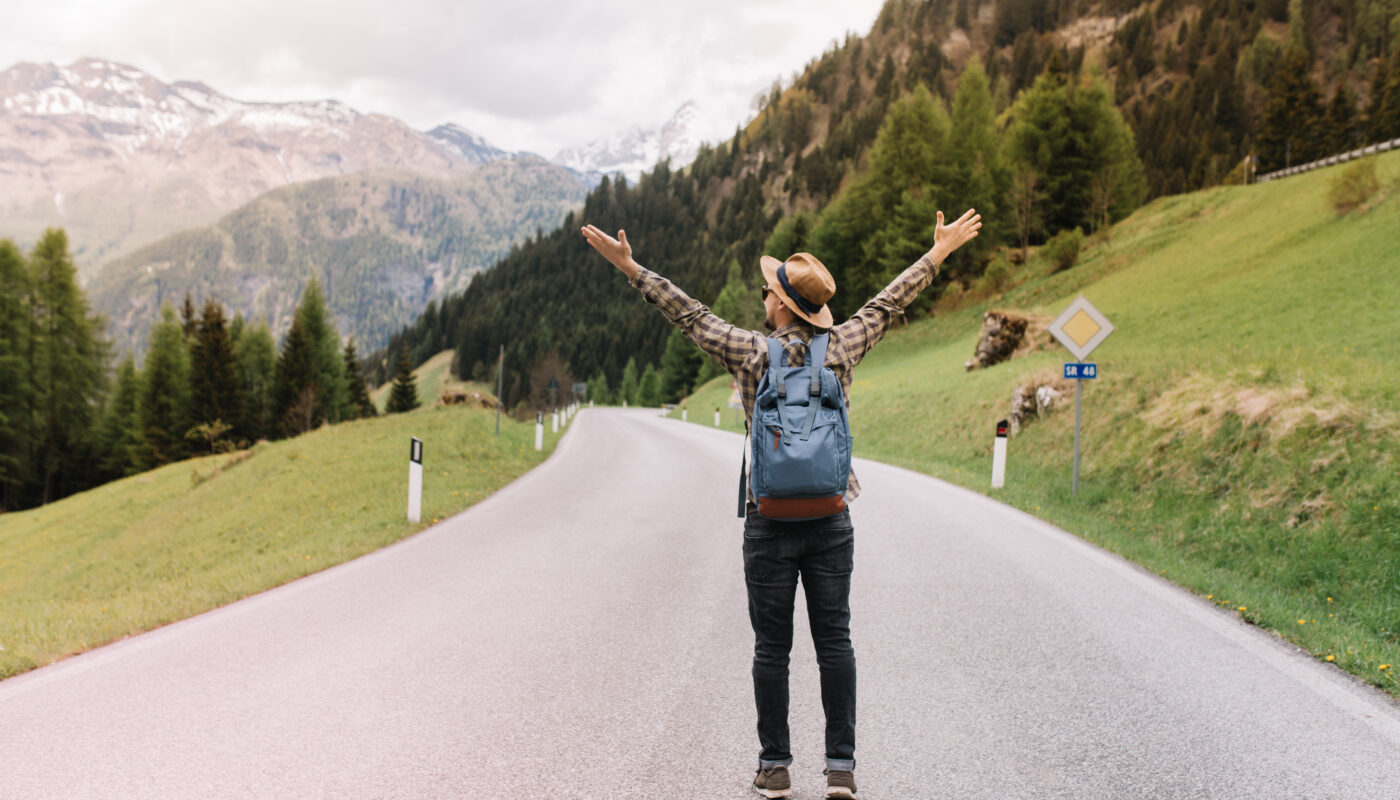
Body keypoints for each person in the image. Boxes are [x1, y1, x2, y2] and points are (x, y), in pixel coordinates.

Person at [581, 208, 981, 799]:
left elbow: (688, 314)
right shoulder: (843, 345)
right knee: (835, 642)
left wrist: (632, 268)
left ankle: (775, 769)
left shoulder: (751, 352)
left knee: (773, 647)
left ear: (783, 307)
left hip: (768, 521)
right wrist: (939, 254)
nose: (763, 297)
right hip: (831, 518)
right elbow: (889, 303)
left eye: (768, 291)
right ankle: (840, 768)